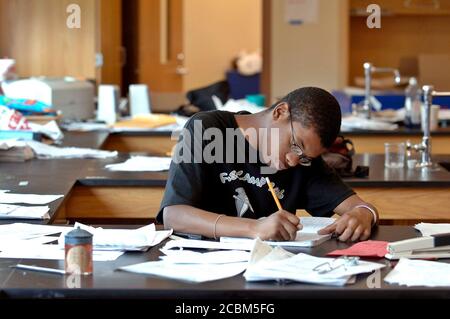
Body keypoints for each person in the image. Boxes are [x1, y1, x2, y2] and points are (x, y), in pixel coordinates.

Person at [157, 87, 378, 242]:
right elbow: (173, 215)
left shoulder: (303, 161)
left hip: (267, 271)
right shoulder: (207, 129)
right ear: (279, 112)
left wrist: (363, 214)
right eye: (295, 145)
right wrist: (254, 228)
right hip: (201, 267)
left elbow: (361, 206)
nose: (294, 160)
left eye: (304, 157)